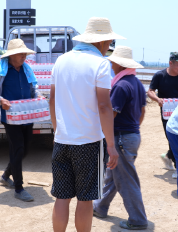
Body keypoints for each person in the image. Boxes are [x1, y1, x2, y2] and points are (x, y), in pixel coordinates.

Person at [49, 17, 121, 232]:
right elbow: (104, 106)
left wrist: (57, 130)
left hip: (62, 139)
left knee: (62, 197)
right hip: (89, 141)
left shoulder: (61, 60)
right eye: (109, 42)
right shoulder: (100, 64)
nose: (109, 47)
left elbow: (51, 100)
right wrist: (110, 144)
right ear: (101, 41)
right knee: (85, 199)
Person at [93, 46, 148, 230]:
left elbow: (111, 114)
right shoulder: (136, 83)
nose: (110, 63)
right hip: (131, 136)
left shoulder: (120, 85)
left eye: (112, 61)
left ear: (118, 63)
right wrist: (133, 130)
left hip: (122, 137)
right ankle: (100, 207)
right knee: (114, 175)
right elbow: (142, 112)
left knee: (125, 179)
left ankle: (138, 219)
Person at [0, 39, 40, 202]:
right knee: (18, 149)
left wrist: (38, 95)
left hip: (27, 115)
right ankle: (19, 189)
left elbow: (33, 88)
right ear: (12, 55)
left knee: (26, 148)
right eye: (21, 53)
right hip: (11, 118)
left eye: (25, 54)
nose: (24, 56)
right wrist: (0, 100)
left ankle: (6, 175)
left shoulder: (27, 70)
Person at [147, 52, 178, 178]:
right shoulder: (160, 75)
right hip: (167, 113)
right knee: (172, 139)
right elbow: (150, 91)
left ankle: (169, 157)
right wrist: (157, 100)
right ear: (170, 63)